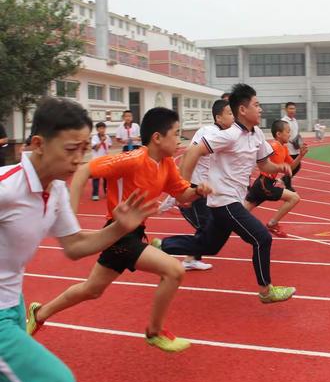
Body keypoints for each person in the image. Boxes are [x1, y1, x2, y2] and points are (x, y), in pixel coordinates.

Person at [0, 97, 156, 382]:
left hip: (12, 303)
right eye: (71, 150)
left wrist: (118, 229)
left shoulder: (55, 189)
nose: (78, 160)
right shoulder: (7, 187)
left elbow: (74, 246)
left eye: (84, 149)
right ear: (38, 144)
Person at [27, 107, 212, 353]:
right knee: (174, 270)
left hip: (133, 233)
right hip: (119, 232)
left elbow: (182, 194)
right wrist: (70, 217)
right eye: (176, 133)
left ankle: (40, 313)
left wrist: (198, 190)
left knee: (92, 289)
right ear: (157, 137)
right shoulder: (133, 159)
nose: (179, 139)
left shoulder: (166, 164)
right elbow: (85, 170)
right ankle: (154, 332)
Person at [157, 83, 296, 303]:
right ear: (243, 110)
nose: (260, 109)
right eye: (256, 105)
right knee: (262, 238)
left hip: (231, 201)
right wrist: (183, 188)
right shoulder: (229, 135)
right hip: (224, 200)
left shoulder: (257, 133)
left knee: (209, 245)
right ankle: (266, 291)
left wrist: (279, 168)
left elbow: (264, 165)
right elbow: (193, 151)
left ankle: (160, 245)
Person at [154, 99, 235, 271]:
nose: (234, 117)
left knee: (209, 227)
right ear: (219, 118)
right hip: (194, 187)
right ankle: (162, 246)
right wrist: (183, 188)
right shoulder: (209, 132)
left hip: (205, 190)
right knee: (207, 228)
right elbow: (188, 155)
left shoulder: (227, 135)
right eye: (230, 113)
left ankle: (190, 258)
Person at [245, 119, 307, 238]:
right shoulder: (273, 146)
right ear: (278, 134)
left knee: (240, 212)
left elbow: (291, 167)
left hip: (262, 184)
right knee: (294, 198)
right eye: (288, 131)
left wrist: (300, 155)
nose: (290, 134)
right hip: (264, 184)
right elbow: (260, 158)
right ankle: (272, 224)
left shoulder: (283, 148)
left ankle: (218, 224)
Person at [281, 102, 302, 192]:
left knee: (297, 166)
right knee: (291, 166)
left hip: (295, 148)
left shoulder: (295, 121)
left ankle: (285, 179)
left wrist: (299, 142)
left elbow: (296, 133)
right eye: (290, 108)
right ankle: (288, 186)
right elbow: (283, 134)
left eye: (293, 108)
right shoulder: (284, 121)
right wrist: (291, 141)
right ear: (286, 110)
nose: (292, 110)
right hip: (288, 148)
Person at [91, 121, 112, 200]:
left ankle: (106, 192)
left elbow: (109, 146)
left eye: (103, 128)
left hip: (105, 160)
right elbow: (95, 148)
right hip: (96, 160)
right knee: (96, 178)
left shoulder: (108, 137)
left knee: (106, 178)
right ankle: (95, 194)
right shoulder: (94, 137)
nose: (102, 130)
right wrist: (102, 141)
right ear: (97, 129)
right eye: (100, 128)